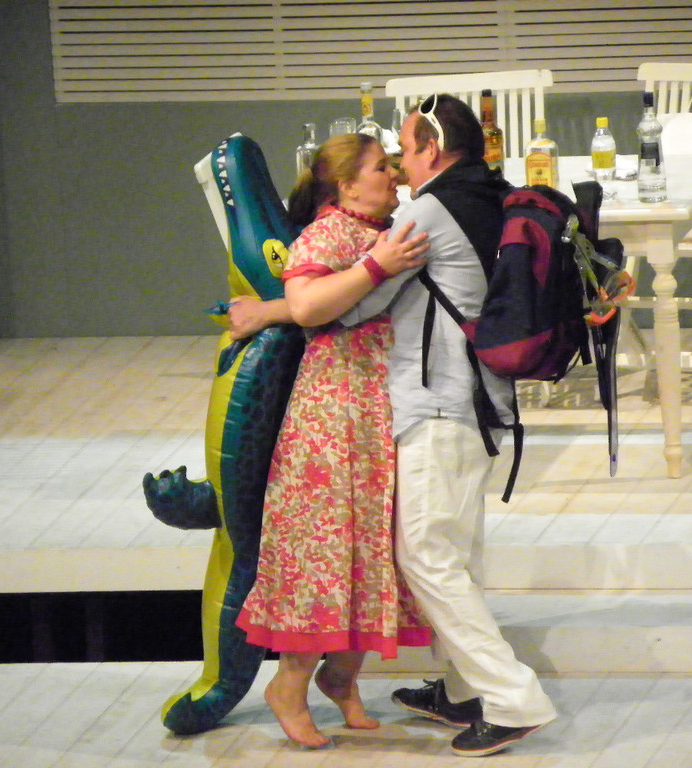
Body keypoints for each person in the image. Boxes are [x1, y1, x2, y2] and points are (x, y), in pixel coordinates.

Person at [340, 95, 557, 758]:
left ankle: (513, 700)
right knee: (456, 554)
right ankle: (463, 691)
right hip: (480, 401)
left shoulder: (429, 211)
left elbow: (356, 306)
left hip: (440, 404)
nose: (400, 164)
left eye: (405, 149)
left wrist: (282, 301)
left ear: (432, 149)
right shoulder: (492, 195)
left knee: (427, 554)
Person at [234, 132, 432, 748]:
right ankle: (288, 686)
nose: (393, 175)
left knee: (374, 544)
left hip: (379, 406)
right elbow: (307, 305)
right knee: (324, 549)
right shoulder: (327, 234)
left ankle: (341, 677)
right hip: (334, 414)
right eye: (380, 168)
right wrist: (374, 266)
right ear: (347, 185)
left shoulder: (388, 229)